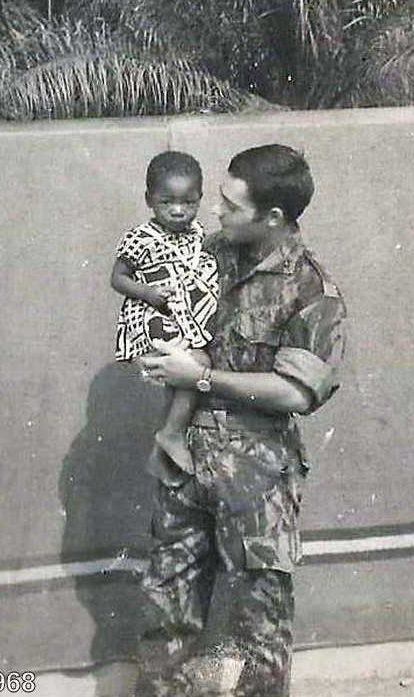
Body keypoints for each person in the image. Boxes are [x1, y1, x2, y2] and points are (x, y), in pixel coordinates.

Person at [135, 144, 346, 697]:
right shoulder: (208, 255)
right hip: (186, 462)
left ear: (272, 216)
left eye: (231, 205)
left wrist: (201, 377)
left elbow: (296, 392)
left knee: (259, 631)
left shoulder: (311, 290)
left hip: (257, 478)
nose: (215, 211)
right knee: (165, 614)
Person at [111, 150, 218, 482]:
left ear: (200, 199)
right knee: (197, 365)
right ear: (149, 200)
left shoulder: (199, 234)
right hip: (156, 320)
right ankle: (170, 436)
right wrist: (147, 292)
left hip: (187, 320)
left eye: (188, 202)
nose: (178, 210)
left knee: (182, 381)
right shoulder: (140, 238)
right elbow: (118, 278)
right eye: (167, 202)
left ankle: (164, 449)